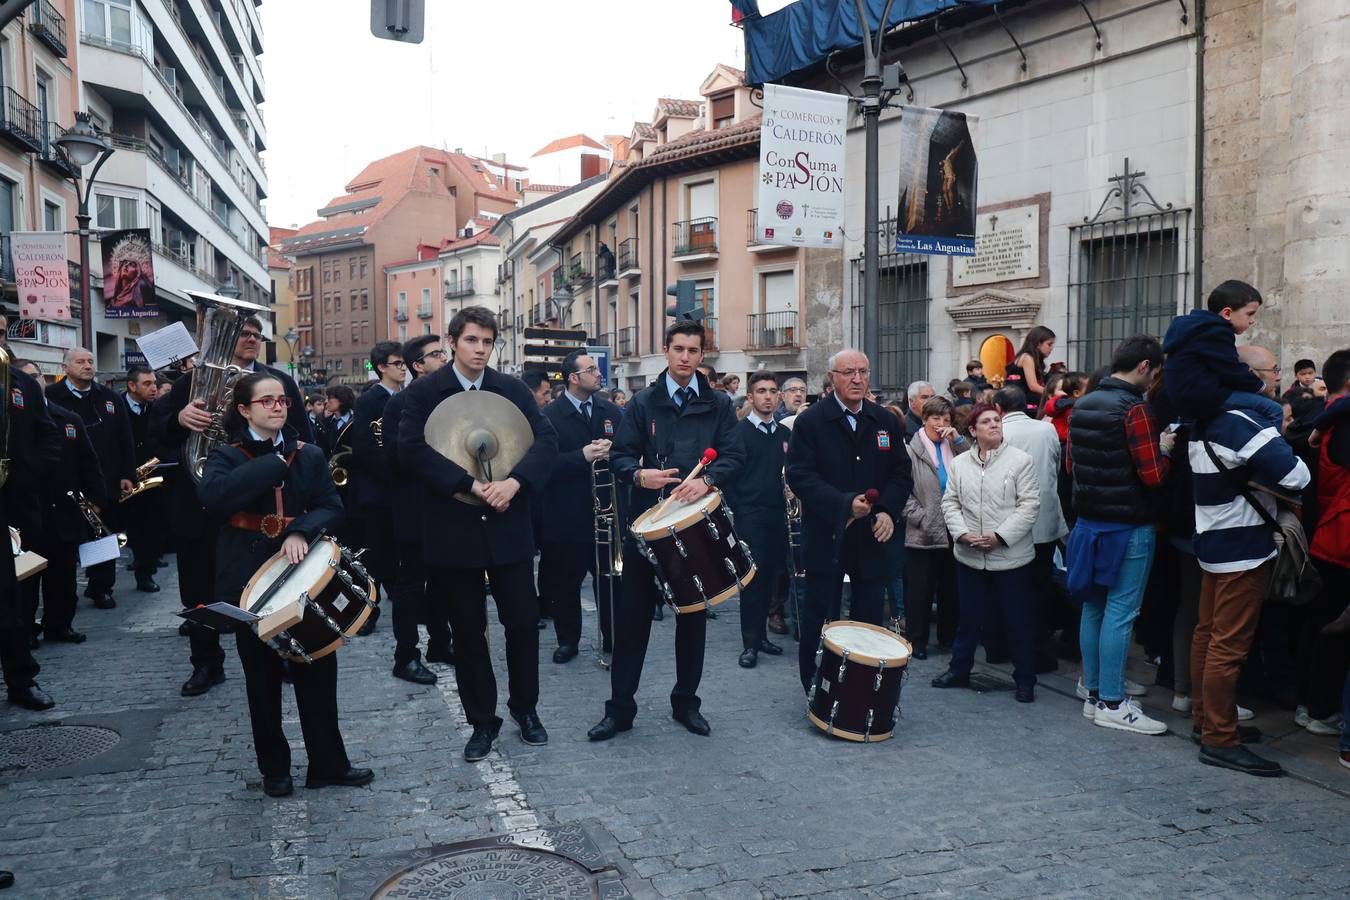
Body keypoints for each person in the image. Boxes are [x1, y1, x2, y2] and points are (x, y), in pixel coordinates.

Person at [197, 372, 373, 798]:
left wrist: (303, 530)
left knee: (317, 665)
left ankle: (328, 763)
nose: (278, 407)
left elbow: (332, 506)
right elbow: (214, 498)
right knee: (261, 679)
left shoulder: (309, 454)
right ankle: (274, 769)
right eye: (267, 401)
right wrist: (272, 463)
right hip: (247, 576)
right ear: (244, 410)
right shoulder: (226, 455)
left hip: (301, 573)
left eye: (283, 401)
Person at [400, 306, 558, 762]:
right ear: (453, 341)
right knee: (468, 632)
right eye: (471, 340)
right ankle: (481, 722)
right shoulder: (426, 392)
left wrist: (515, 483)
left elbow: (546, 441)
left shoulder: (511, 389)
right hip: (453, 530)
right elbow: (411, 450)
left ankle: (526, 710)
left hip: (508, 522)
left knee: (524, 625)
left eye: (487, 342)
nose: (480, 350)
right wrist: (468, 486)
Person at [588, 321, 745, 741]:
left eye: (694, 350)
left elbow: (734, 455)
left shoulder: (717, 404)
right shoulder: (642, 402)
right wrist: (640, 476)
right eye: (679, 349)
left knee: (693, 620)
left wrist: (707, 482)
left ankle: (686, 703)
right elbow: (620, 455)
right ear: (666, 350)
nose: (686, 357)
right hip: (647, 529)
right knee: (633, 620)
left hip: (694, 524)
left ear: (701, 355)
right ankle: (620, 709)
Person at [151, 317, 314, 697]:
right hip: (202, 505)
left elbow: (301, 435)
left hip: (264, 505)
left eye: (257, 335)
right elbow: (155, 434)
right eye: (244, 333)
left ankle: (283, 651)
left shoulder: (278, 382)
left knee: (275, 583)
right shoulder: (191, 382)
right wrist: (179, 419)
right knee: (198, 589)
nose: (253, 340)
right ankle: (206, 663)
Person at [1189, 344, 1310, 776]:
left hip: (1212, 541)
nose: (1277, 376)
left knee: (1208, 635)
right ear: (1249, 376)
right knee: (1229, 645)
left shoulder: (1201, 419)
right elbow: (1297, 475)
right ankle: (1220, 738)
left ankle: (1206, 722)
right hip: (1242, 547)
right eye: (1273, 370)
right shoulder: (1242, 423)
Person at [785, 349, 913, 693]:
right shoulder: (811, 421)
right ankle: (812, 679)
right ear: (832, 378)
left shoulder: (885, 420)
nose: (857, 379)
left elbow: (901, 472)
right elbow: (799, 475)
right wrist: (843, 504)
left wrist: (887, 509)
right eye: (848, 372)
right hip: (827, 531)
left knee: (869, 607)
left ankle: (862, 680)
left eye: (863, 371)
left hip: (873, 534)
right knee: (819, 605)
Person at [1064, 337, 1173, 735]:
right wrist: (1166, 451)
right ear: (1145, 366)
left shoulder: (1083, 404)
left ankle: (1094, 694)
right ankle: (1112, 701)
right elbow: (1153, 475)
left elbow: (1072, 465)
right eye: (1157, 372)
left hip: (1089, 522)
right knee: (1121, 612)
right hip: (1128, 524)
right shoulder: (1135, 408)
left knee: (1094, 608)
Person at [932, 403, 1040, 703]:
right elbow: (950, 502)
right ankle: (959, 669)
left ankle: (1025, 679)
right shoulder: (960, 464)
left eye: (997, 420)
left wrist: (1000, 537)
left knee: (1017, 620)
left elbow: (1029, 505)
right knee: (967, 618)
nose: (994, 425)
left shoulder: (1020, 461)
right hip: (969, 556)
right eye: (987, 421)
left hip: (1011, 558)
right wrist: (962, 534)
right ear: (972, 430)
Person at [538, 350, 623, 664]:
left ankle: (613, 638)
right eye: (590, 369)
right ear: (573, 378)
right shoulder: (549, 416)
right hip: (565, 517)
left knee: (610, 583)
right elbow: (542, 466)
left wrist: (615, 453)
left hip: (606, 516)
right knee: (565, 585)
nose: (598, 373)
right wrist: (582, 456)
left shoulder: (611, 411)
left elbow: (631, 452)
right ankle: (567, 640)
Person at [381, 335, 454, 682]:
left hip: (447, 505)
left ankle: (441, 642)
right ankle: (405, 655)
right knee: (410, 586)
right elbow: (400, 458)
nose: (444, 357)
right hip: (414, 506)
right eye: (436, 354)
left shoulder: (451, 396)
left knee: (443, 581)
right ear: (418, 365)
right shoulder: (400, 404)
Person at [15, 360, 104, 646]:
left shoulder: (67, 418)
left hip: (64, 514)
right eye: (26, 378)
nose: (32, 382)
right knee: (26, 580)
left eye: (35, 376)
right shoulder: (13, 421)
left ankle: (60, 626)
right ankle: (26, 631)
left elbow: (89, 462)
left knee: (63, 578)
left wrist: (96, 498)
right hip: (27, 517)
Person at [45, 348, 135, 609]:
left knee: (103, 535)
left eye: (90, 361)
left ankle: (101, 587)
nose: (87, 366)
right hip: (64, 483)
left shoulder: (108, 398)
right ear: (65, 368)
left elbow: (124, 437)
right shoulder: (51, 397)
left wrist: (127, 473)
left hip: (103, 480)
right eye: (80, 361)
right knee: (66, 540)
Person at [2, 359, 63, 710]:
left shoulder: (20, 382)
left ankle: (21, 680)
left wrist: (27, 474)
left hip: (14, 504)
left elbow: (47, 433)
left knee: (16, 599)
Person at [995, 385, 1068, 671]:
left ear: (999, 409)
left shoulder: (998, 432)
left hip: (1009, 525)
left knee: (1008, 587)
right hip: (1043, 522)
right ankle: (1034, 649)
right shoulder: (1046, 430)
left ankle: (1004, 645)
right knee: (1037, 588)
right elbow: (1054, 467)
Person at [1300, 349, 1350, 736]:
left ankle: (1312, 704)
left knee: (1320, 622)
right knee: (1334, 629)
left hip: (1324, 534)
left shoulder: (1319, 418)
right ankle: (1320, 708)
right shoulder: (1342, 421)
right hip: (1339, 539)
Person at [724, 371, 789, 669]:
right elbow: (729, 478)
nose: (768, 396)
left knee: (772, 578)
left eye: (773, 391)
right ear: (750, 397)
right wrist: (740, 509)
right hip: (750, 516)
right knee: (752, 579)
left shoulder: (785, 435)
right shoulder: (738, 434)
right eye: (761, 391)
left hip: (779, 515)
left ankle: (761, 637)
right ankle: (750, 643)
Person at [347, 342, 406, 644]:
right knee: (373, 556)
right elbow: (365, 448)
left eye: (404, 363)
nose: (403, 368)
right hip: (378, 491)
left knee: (398, 552)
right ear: (382, 367)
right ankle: (368, 611)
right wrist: (397, 472)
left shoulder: (408, 396)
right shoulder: (369, 400)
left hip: (401, 491)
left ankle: (402, 602)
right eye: (397, 363)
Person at [902, 396, 966, 659]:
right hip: (923, 531)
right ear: (925, 419)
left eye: (946, 419)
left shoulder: (955, 446)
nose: (941, 424)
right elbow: (901, 492)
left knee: (951, 588)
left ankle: (947, 637)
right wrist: (922, 517)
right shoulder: (910, 450)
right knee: (920, 590)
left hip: (954, 528)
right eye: (936, 418)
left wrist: (959, 442)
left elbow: (976, 466)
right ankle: (916, 640)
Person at [1162, 280, 1273, 423]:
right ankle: (1273, 445)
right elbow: (1231, 370)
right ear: (1227, 313)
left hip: (1187, 399)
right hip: (1202, 398)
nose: (1252, 321)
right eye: (1250, 314)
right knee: (1273, 409)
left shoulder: (1199, 328)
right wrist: (1262, 387)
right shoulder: (1216, 331)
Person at [122, 365, 165, 593]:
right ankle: (99, 583)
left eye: (154, 384)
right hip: (122, 479)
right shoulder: (115, 406)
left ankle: (145, 574)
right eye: (147, 384)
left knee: (149, 529)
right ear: (132, 385)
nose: (153, 388)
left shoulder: (156, 409)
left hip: (150, 479)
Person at [1006, 326, 1056, 406]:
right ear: (1038, 344)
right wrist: (1055, 394)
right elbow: (1033, 386)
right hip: (1022, 403)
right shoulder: (1027, 357)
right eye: (1049, 344)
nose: (1052, 348)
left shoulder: (1031, 358)